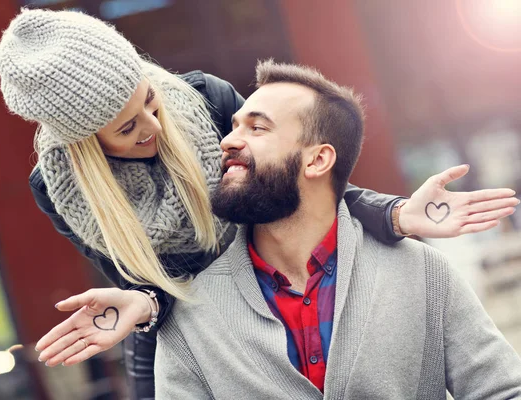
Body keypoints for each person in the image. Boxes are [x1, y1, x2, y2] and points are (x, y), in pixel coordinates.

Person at [0, 9, 519, 400]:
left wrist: (394, 214)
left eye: (149, 100)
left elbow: (295, 178)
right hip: (171, 319)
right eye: (127, 128)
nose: (153, 127)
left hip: (271, 283)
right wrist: (148, 307)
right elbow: (138, 279)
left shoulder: (207, 101)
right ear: (84, 141)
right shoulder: (61, 190)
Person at [154, 60, 521, 399]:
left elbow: (502, 392)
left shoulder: (424, 273)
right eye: (234, 127)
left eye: (257, 127)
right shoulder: (190, 316)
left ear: (317, 160)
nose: (228, 141)